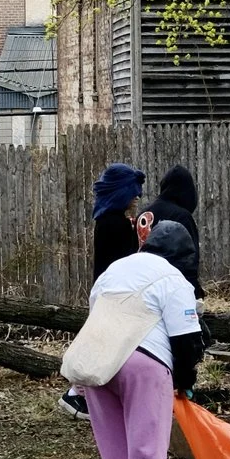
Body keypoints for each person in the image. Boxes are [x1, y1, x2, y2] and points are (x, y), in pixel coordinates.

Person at [81, 221, 205, 459]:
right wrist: (185, 382)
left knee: (114, 443)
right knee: (146, 445)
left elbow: (95, 313)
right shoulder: (174, 279)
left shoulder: (114, 269)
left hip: (96, 361)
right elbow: (186, 340)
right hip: (144, 363)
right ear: (184, 257)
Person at [63, 163, 149, 422]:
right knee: (104, 345)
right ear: (122, 193)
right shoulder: (114, 224)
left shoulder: (109, 220)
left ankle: (83, 393)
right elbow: (125, 261)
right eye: (133, 193)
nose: (137, 198)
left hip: (107, 292)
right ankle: (77, 394)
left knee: (104, 343)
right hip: (114, 296)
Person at [142, 166, 201, 291]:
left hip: (144, 286)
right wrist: (194, 292)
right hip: (173, 288)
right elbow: (189, 259)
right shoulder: (182, 216)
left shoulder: (144, 215)